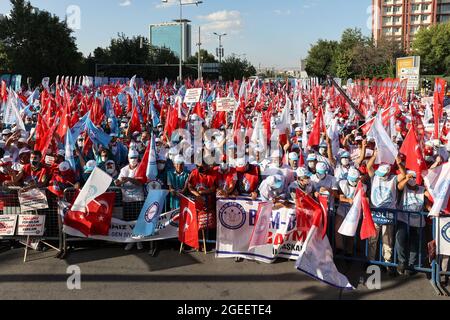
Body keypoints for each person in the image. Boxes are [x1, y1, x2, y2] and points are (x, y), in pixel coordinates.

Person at [367, 150, 406, 275]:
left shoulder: (393, 179)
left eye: (383, 174)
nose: (381, 176)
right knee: (373, 238)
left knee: (387, 239)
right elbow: (368, 166)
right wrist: (374, 155)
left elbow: (404, 175)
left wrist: (399, 164)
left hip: (388, 214)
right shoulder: (375, 176)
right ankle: (371, 261)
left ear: (388, 173)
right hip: (375, 212)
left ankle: (387, 262)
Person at [395, 171, 431, 276]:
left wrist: (431, 209)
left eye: (414, 177)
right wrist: (406, 178)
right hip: (403, 220)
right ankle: (402, 262)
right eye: (411, 177)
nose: (412, 179)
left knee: (414, 244)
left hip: (418, 222)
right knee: (400, 239)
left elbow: (428, 200)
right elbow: (399, 186)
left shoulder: (422, 189)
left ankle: (411, 265)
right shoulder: (404, 187)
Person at [115, 150, 145, 251]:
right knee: (129, 222)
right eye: (131, 157)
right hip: (126, 199)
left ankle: (139, 241)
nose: (133, 160)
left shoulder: (141, 168)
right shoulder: (123, 169)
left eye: (135, 157)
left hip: (138, 198)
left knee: (138, 221)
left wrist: (128, 179)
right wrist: (117, 182)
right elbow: (119, 181)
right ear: (128, 158)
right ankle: (130, 241)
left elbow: (140, 183)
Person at [335, 167, 365, 256]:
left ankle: (349, 251)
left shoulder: (363, 186)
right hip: (342, 209)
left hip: (354, 212)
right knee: (338, 228)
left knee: (351, 231)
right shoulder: (342, 183)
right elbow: (340, 197)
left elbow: (365, 198)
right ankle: (339, 248)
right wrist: (348, 200)